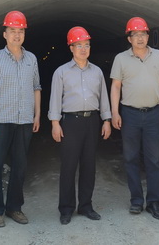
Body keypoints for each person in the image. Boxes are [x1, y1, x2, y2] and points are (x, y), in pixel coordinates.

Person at [0, 10, 41, 228]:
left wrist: (37, 115)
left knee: (20, 167)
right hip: (0, 120)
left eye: (21, 31)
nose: (17, 35)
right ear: (5, 34)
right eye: (12, 30)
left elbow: (36, 87)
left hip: (24, 120)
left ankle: (14, 207)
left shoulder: (31, 59)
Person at [48, 26, 112, 225]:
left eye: (86, 45)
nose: (83, 49)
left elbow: (103, 98)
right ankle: (66, 208)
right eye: (79, 45)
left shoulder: (97, 72)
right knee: (68, 166)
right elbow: (55, 99)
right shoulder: (61, 72)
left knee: (89, 165)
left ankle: (85, 206)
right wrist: (55, 123)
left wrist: (106, 120)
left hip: (92, 121)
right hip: (70, 122)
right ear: (71, 48)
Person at [110, 17, 159, 220]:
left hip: (153, 113)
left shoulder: (158, 56)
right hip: (130, 114)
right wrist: (115, 112)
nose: (140, 38)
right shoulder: (121, 59)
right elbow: (116, 86)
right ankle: (136, 200)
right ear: (129, 38)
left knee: (154, 160)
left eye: (143, 34)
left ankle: (154, 203)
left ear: (148, 36)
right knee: (131, 158)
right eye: (135, 34)